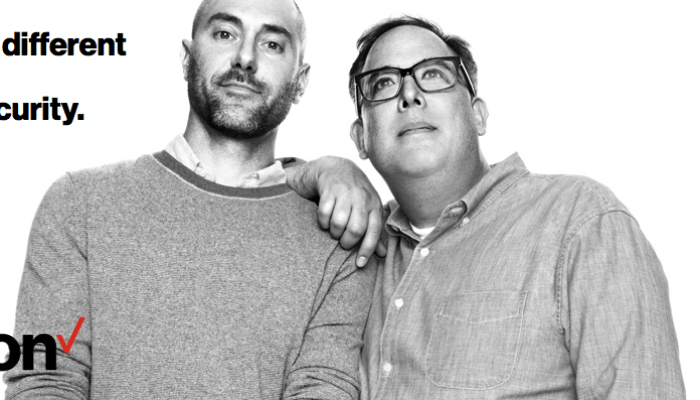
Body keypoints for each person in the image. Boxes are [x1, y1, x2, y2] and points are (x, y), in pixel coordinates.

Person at [3, 0, 381, 398]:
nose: (245, 58)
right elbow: (44, 379)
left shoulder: (340, 234)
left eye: (272, 44)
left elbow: (323, 387)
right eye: (225, 34)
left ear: (300, 81)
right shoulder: (78, 203)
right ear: (187, 58)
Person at [348, 16, 686, 399]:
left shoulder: (582, 221)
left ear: (478, 114)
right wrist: (314, 171)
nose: (410, 94)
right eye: (383, 83)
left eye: (434, 74)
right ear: (361, 138)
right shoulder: (351, 250)